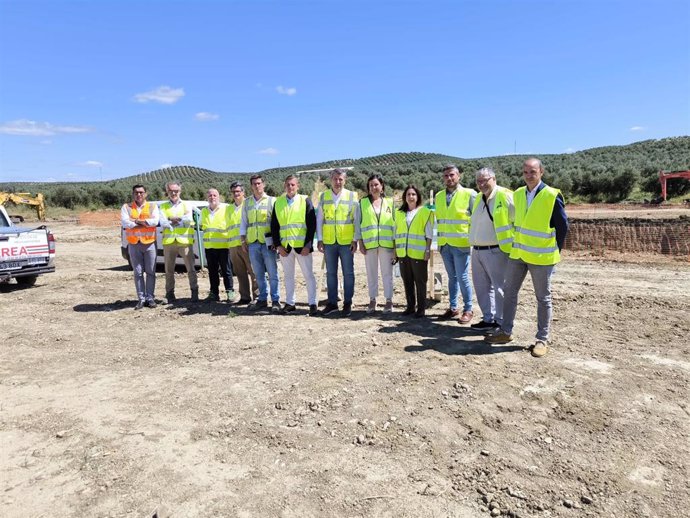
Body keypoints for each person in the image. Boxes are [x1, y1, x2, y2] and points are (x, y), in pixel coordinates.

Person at [485, 158, 569, 358]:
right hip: (519, 254)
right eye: (525, 172)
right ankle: (506, 331)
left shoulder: (551, 195)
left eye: (533, 171)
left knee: (543, 298)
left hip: (542, 257)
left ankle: (542, 339)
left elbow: (562, 226)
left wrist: (556, 250)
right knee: (509, 292)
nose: (529, 175)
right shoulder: (519, 194)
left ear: (541, 172)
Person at [468, 168, 514, 330]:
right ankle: (488, 318)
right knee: (481, 287)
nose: (482, 184)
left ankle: (501, 322)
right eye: (479, 181)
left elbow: (518, 220)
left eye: (485, 180)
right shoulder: (479, 198)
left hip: (496, 250)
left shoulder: (504, 195)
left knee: (499, 288)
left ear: (494, 178)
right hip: (477, 250)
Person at [271, 175, 318, 316]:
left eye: (293, 185)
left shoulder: (305, 200)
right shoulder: (278, 202)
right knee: (288, 276)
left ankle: (312, 303)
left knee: (308, 275)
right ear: (284, 186)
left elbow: (312, 225)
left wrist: (308, 245)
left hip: (302, 247)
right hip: (285, 247)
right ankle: (290, 303)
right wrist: (278, 245)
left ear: (298, 186)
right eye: (288, 185)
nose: (290, 187)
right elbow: (274, 226)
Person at [435, 164, 476, 324]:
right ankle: (453, 308)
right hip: (445, 244)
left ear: (459, 176)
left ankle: (468, 309)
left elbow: (477, 217)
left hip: (461, 244)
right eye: (446, 176)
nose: (449, 178)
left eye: (452, 175)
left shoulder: (469, 194)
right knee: (452, 278)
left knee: (463, 277)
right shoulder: (438, 196)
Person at [317, 168, 358, 317]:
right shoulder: (323, 196)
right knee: (331, 274)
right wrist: (320, 238)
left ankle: (348, 302)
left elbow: (356, 220)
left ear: (345, 180)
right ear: (330, 180)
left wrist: (355, 239)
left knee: (348, 273)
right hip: (329, 242)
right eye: (335, 179)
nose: (338, 182)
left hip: (346, 242)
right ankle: (332, 303)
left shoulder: (352, 196)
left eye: (341, 179)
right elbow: (320, 219)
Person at [354, 173, 395, 314]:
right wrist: (360, 242)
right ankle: (372, 300)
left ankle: (389, 301)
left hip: (387, 244)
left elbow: (395, 225)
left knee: (387, 273)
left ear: (382, 186)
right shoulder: (362, 203)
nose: (374, 187)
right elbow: (358, 225)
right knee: (371, 273)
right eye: (371, 185)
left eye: (376, 184)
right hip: (369, 244)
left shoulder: (390, 203)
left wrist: (395, 244)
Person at [240, 174, 281, 312]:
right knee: (258, 273)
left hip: (268, 242)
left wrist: (277, 241)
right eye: (254, 184)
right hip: (253, 242)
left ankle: (275, 300)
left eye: (259, 183)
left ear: (263, 184)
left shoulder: (272, 201)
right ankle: (262, 299)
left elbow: (277, 223)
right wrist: (243, 239)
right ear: (251, 186)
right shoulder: (247, 202)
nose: (257, 186)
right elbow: (244, 222)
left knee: (272, 272)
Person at [394, 185, 434, 318]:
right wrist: (395, 252)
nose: (411, 197)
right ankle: (410, 307)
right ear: (404, 197)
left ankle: (421, 309)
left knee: (420, 282)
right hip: (403, 254)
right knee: (407, 281)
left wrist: (427, 250)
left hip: (419, 253)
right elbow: (396, 234)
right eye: (408, 195)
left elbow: (429, 234)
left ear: (417, 197)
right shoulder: (399, 213)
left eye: (413, 194)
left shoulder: (424, 212)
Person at [159, 181, 199, 303]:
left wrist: (173, 220)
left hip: (184, 241)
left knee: (191, 268)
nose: (173, 193)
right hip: (169, 242)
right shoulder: (163, 206)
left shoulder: (187, 205)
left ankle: (194, 293)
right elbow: (162, 222)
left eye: (176, 190)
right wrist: (174, 220)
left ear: (180, 191)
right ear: (167, 192)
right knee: (169, 270)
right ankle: (170, 294)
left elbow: (188, 220)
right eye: (171, 190)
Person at [121, 184, 160, 309]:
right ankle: (141, 299)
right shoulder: (126, 207)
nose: (139, 194)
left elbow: (155, 221)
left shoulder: (152, 206)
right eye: (136, 192)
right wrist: (142, 222)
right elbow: (125, 222)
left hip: (149, 243)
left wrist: (136, 222)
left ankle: (150, 298)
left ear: (145, 194)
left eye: (141, 192)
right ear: (133, 194)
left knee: (150, 272)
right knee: (137, 273)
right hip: (134, 244)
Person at [199, 188, 235, 303]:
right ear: (207, 197)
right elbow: (201, 225)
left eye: (214, 195)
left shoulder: (226, 209)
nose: (212, 197)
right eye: (210, 195)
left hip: (224, 246)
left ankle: (230, 293)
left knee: (227, 271)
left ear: (218, 197)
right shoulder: (204, 211)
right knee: (212, 272)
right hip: (209, 247)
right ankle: (214, 293)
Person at [228, 182, 258, 305]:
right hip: (233, 245)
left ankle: (257, 296)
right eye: (234, 192)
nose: (236, 194)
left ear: (243, 192)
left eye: (238, 191)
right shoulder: (228, 208)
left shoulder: (248, 205)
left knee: (253, 271)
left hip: (247, 244)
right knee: (240, 272)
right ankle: (245, 297)